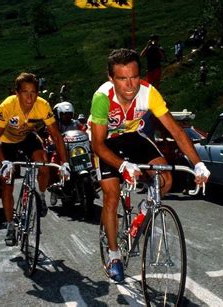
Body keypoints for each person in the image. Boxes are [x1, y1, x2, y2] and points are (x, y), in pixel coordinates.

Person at [89, 48, 210, 282]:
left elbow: (175, 130)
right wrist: (123, 166)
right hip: (106, 142)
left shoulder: (149, 93)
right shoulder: (102, 98)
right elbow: (98, 145)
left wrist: (198, 164)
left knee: (166, 179)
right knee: (111, 195)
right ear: (111, 79)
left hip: (133, 137)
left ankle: (146, 207)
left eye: (134, 76)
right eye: (122, 78)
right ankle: (114, 255)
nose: (130, 84)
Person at [0, 72, 70, 246]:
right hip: (6, 141)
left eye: (33, 92)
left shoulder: (42, 105)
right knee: (7, 183)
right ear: (17, 93)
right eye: (25, 92)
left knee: (44, 165)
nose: (29, 97)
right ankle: (10, 225)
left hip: (27, 137)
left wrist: (64, 163)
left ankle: (40, 195)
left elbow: (56, 136)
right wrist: (4, 162)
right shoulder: (7, 106)